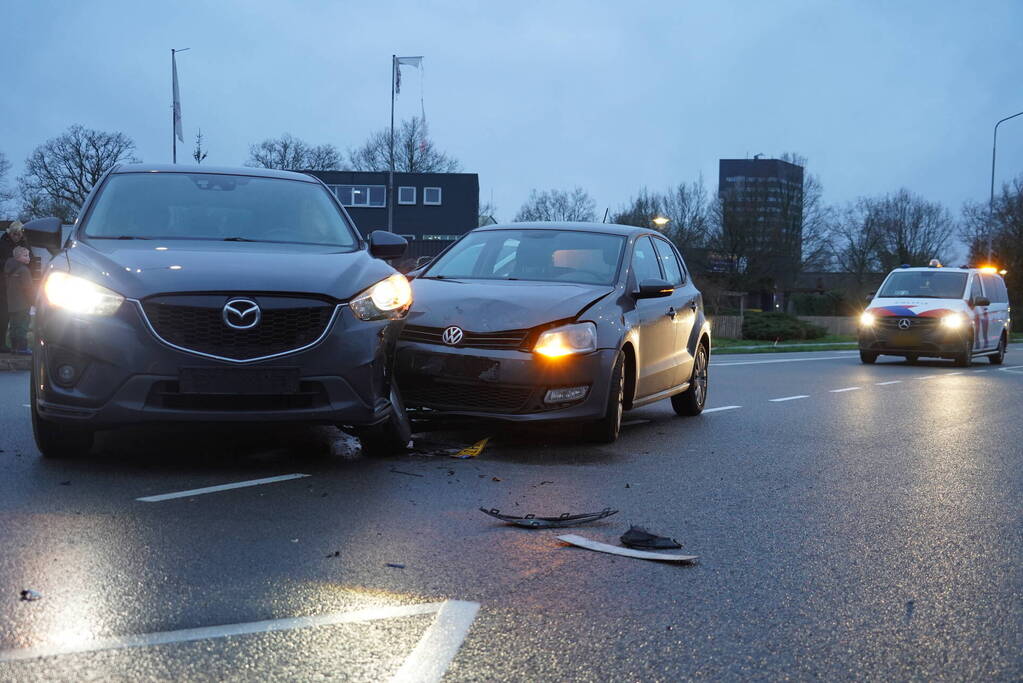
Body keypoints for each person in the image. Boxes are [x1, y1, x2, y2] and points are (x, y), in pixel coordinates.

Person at [0, 221, 29, 352]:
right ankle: (4, 344)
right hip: (4, 283)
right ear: (9, 233)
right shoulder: (3, 243)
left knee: (17, 317)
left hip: (16, 284)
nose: (16, 237)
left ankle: (16, 346)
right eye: (14, 234)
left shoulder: (24, 244)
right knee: (4, 315)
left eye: (19, 234)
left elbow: (31, 259)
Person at [4, 245, 35, 355]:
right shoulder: (24, 270)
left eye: (28, 255)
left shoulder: (8, 269)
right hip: (23, 303)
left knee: (14, 326)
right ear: (18, 257)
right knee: (22, 325)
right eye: (25, 255)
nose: (28, 257)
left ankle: (14, 347)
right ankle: (22, 348)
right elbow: (28, 288)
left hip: (12, 303)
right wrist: (33, 300)